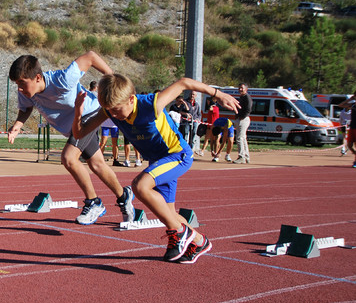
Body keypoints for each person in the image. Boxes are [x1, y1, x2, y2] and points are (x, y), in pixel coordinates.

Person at [73, 74, 240, 263]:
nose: (114, 115)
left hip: (177, 155)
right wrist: (79, 110)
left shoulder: (150, 104)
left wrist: (218, 94)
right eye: (109, 110)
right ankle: (199, 241)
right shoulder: (109, 111)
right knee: (167, 214)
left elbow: (183, 83)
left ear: (130, 99)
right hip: (157, 162)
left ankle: (180, 232)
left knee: (140, 186)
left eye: (117, 110)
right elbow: (79, 133)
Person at [7, 52, 134, 226]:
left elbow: (90, 57)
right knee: (97, 164)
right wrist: (18, 125)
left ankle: (94, 202)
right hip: (74, 127)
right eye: (16, 84)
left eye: (22, 83)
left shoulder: (62, 80)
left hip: (90, 115)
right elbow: (25, 109)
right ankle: (123, 195)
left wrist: (113, 81)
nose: (19, 89)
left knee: (68, 158)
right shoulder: (25, 92)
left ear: (37, 77)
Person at [337, 90, 356, 168]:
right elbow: (340, 105)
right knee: (349, 145)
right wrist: (349, 99)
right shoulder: (352, 105)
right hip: (352, 127)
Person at [233, 83, 252, 164]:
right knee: (243, 138)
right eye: (239, 88)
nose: (240, 89)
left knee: (239, 138)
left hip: (243, 119)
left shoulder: (247, 97)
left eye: (242, 88)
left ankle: (241, 157)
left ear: (246, 89)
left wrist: (242, 117)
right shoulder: (241, 97)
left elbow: (248, 109)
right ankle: (246, 156)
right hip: (240, 118)